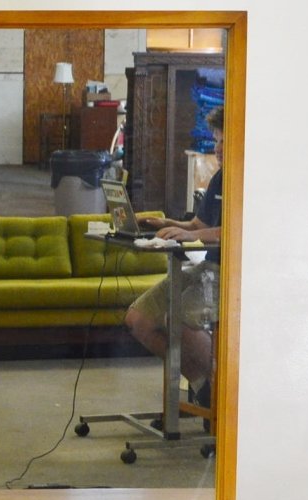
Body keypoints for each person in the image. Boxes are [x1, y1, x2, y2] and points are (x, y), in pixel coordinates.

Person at [124, 106, 224, 411]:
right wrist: (164, 224)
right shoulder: (219, 179)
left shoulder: (253, 181)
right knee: (138, 319)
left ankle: (218, 390)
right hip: (207, 268)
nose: (217, 149)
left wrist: (192, 237)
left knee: (177, 318)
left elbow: (238, 230)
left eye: (223, 142)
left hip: (231, 274)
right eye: (216, 141)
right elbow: (201, 225)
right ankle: (202, 385)